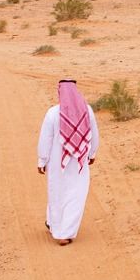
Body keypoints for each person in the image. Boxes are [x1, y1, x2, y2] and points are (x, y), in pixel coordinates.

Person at [37, 79, 99, 245]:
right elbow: (94, 134)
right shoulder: (87, 111)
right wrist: (92, 153)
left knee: (57, 194)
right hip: (79, 162)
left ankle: (58, 229)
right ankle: (61, 229)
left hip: (57, 163)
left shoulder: (52, 113)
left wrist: (42, 160)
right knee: (75, 196)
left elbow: (45, 139)